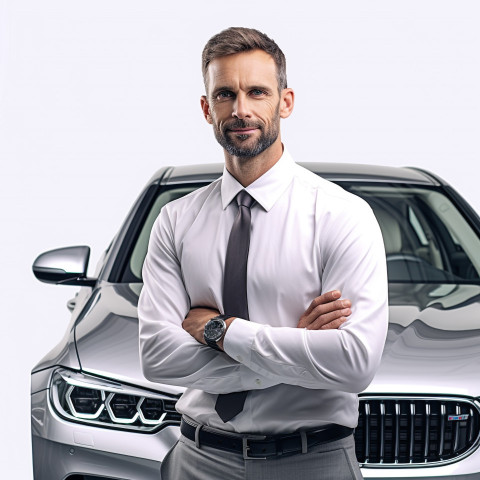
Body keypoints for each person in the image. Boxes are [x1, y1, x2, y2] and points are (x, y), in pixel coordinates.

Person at [138, 27, 388, 479]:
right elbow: (158, 356)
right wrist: (296, 344)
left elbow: (354, 364)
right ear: (205, 108)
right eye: (224, 94)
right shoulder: (175, 221)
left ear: (285, 102)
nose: (241, 109)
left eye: (257, 92)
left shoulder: (342, 216)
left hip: (312, 461)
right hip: (198, 459)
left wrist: (220, 329)